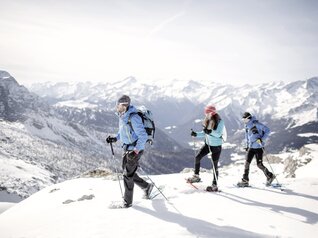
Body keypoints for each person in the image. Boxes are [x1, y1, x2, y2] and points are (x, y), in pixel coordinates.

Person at [106, 95, 154, 208]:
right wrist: (115, 138)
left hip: (135, 150)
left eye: (118, 105)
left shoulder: (133, 117)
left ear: (124, 105)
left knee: (127, 175)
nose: (116, 107)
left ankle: (127, 203)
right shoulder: (122, 116)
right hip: (127, 148)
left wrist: (136, 151)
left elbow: (142, 136)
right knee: (128, 173)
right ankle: (146, 187)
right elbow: (122, 132)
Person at [187, 105, 224, 192]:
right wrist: (196, 134)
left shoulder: (220, 122)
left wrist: (210, 132)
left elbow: (218, 134)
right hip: (208, 144)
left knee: (214, 166)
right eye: (205, 113)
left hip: (216, 146)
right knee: (198, 157)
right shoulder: (207, 120)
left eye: (207, 113)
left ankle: (214, 185)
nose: (206, 114)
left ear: (212, 112)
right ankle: (196, 176)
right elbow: (205, 133)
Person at [237, 112, 275, 187]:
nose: (243, 121)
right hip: (251, 147)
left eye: (244, 119)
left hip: (259, 147)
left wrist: (262, 139)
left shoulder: (256, 124)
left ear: (248, 118)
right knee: (246, 164)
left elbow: (268, 130)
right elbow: (247, 137)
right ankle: (245, 181)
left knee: (259, 165)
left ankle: (270, 176)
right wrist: (247, 146)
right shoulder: (247, 126)